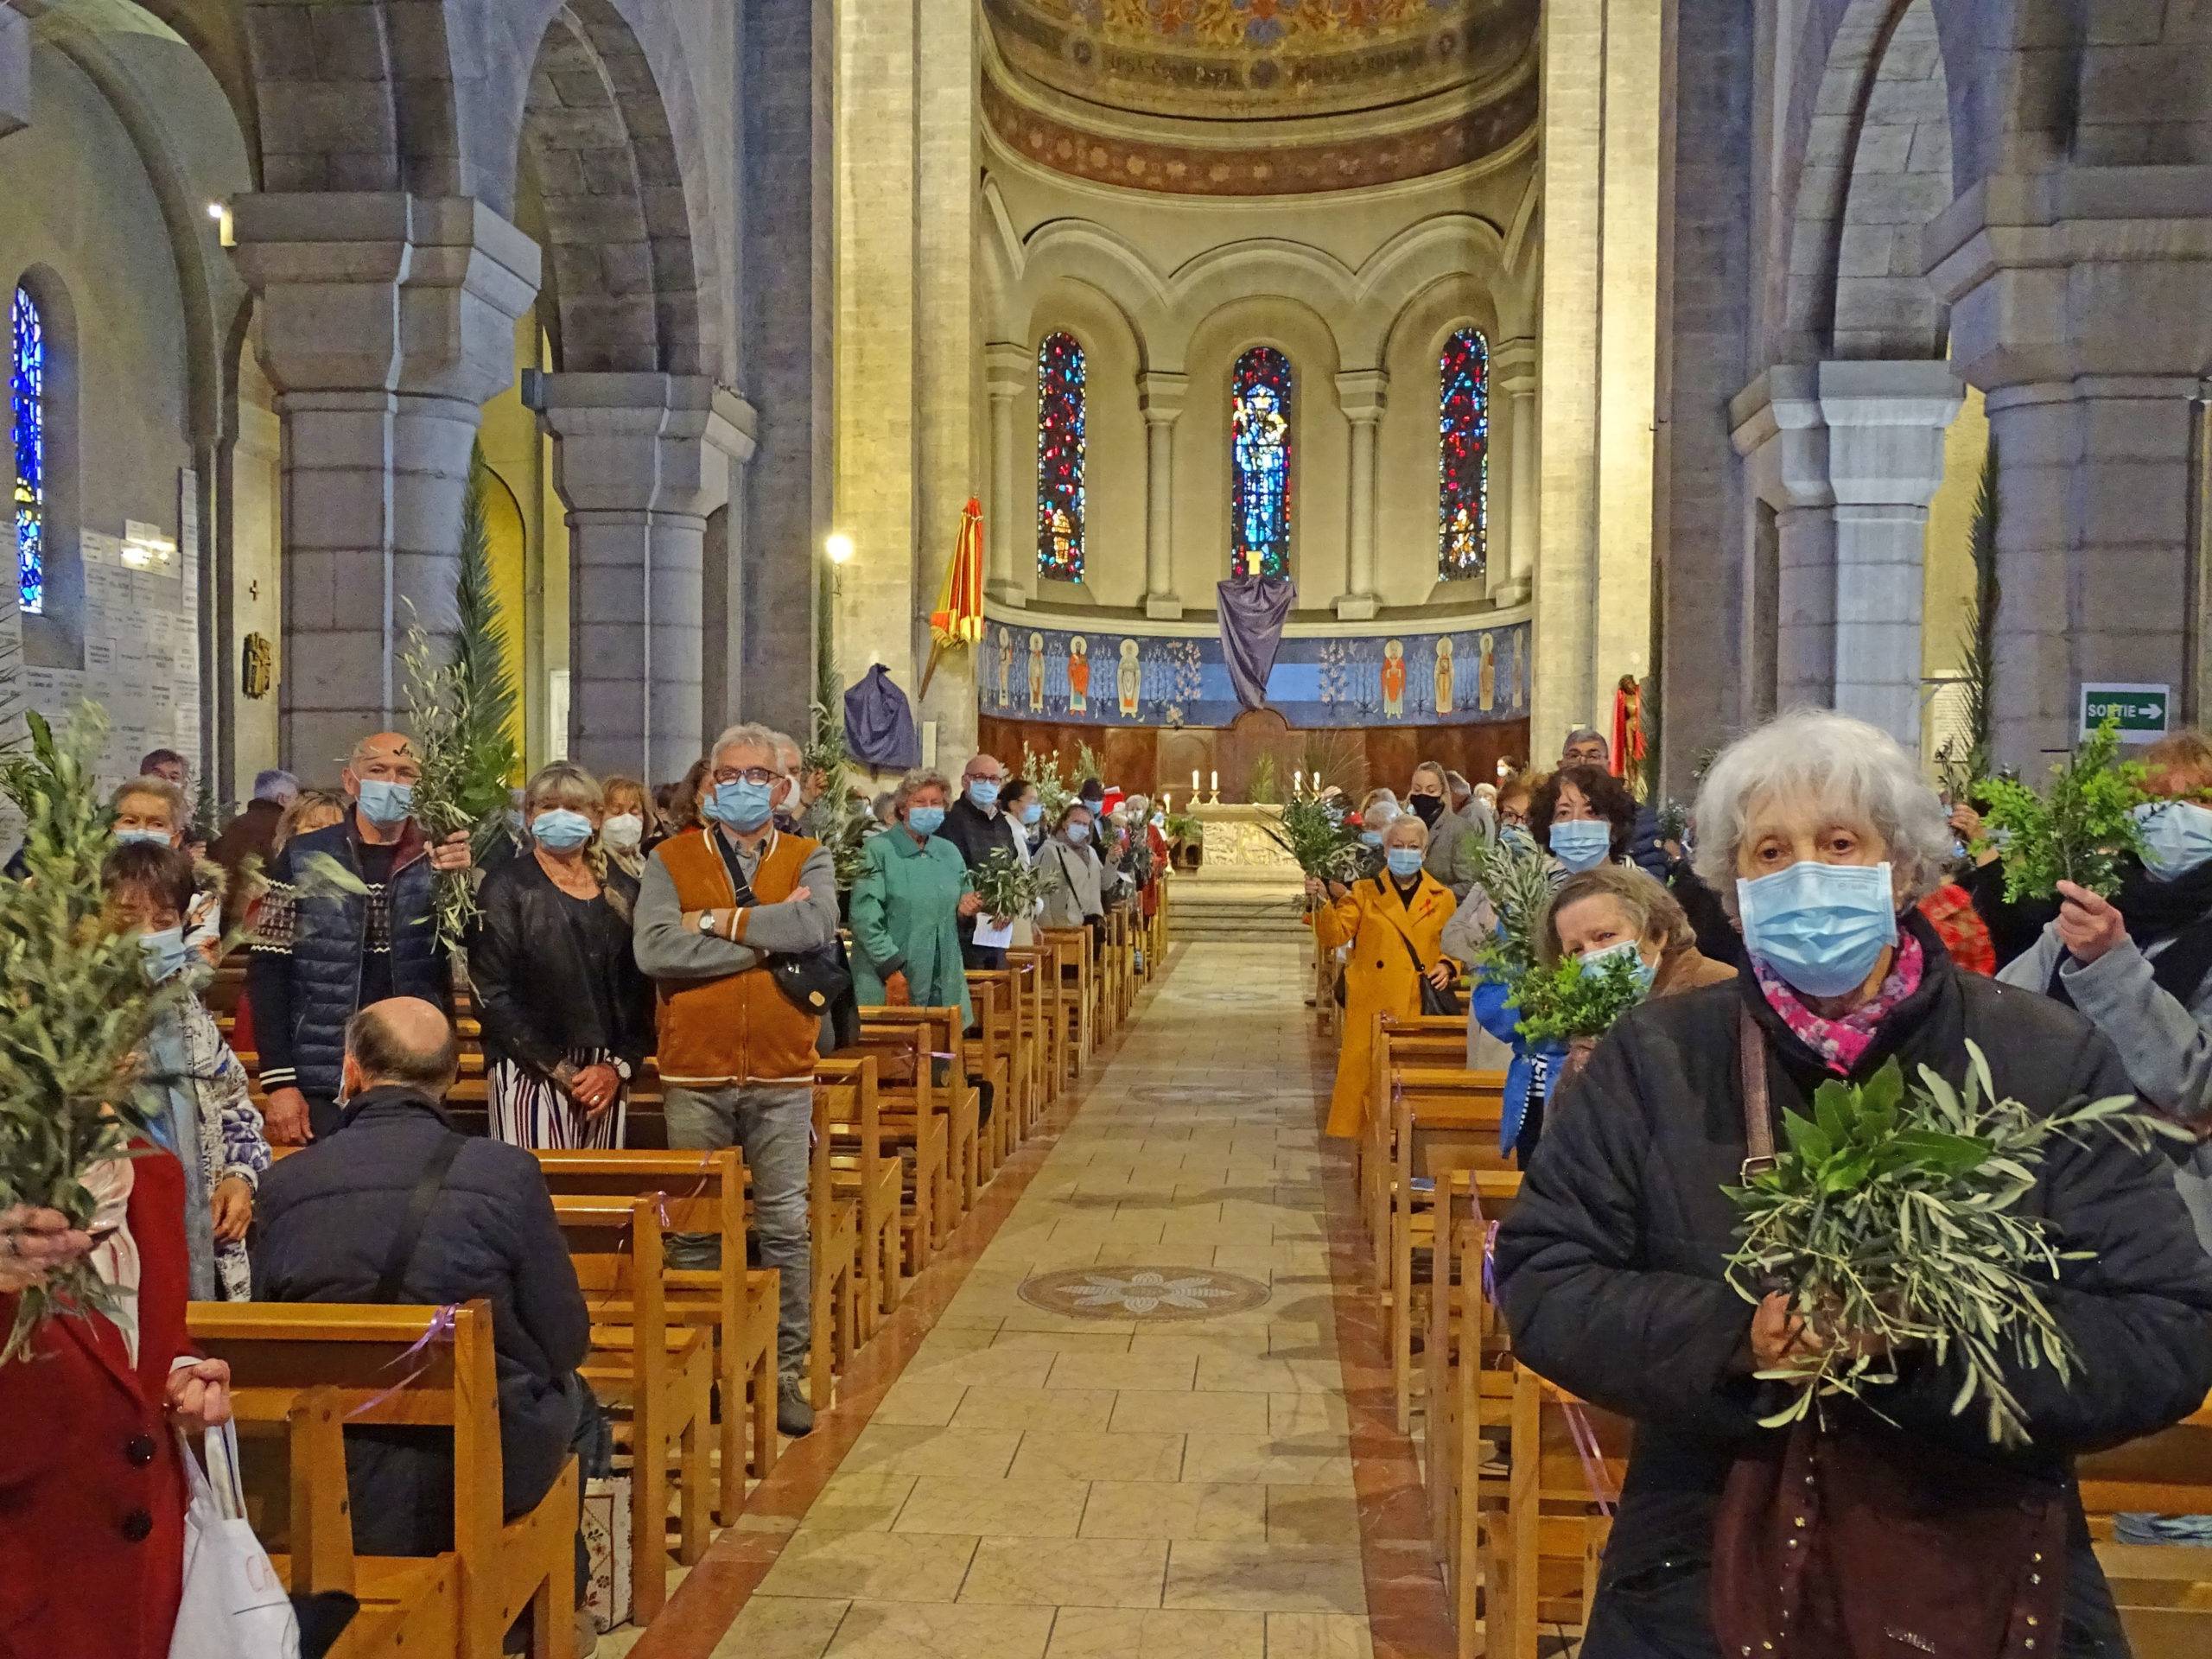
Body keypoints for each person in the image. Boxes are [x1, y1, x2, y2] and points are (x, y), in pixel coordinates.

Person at [1494, 709, 2212, 1659]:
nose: (1806, 875)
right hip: (1703, 1576)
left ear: (1902, 868)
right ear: (1732, 891)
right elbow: (1546, 1279)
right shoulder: (1657, 1057)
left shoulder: (2041, 1055)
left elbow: (2165, 1325)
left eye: (1839, 844)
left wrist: (1930, 1345)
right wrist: (1739, 1336)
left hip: (1983, 1573)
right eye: (1770, 852)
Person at [253, 999, 593, 1562]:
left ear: (351, 1071)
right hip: (473, 1468)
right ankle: (555, 1592)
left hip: (330, 1468)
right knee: (579, 1406)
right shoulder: (506, 1173)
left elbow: (268, 1334)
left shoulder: (283, 1185)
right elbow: (565, 1341)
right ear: (452, 1075)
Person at [632, 722, 839, 1436]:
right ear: (708, 786)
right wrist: (763, 941)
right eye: (729, 775)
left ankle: (783, 1371)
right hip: (695, 1070)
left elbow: (815, 929)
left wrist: (714, 923)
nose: (742, 786)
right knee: (695, 1232)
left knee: (783, 1227)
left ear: (781, 789)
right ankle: (709, 1367)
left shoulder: (810, 855)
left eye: (758, 775)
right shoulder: (670, 858)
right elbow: (656, 950)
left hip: (783, 1072)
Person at [0, 1151, 234, 1659]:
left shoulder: (154, 1173)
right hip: (26, 1572)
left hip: (148, 1580)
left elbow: (150, 1338)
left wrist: (180, 1373)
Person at [1999, 729, 2212, 1247]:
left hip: (2173, 1218)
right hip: (2054, 1201)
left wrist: (2109, 963)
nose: (2174, 817)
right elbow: (2000, 1025)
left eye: (2198, 802)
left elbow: (2195, 1087)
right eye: (2155, 801)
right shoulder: (2090, 913)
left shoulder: (2102, 936)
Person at [246, 730, 473, 1143]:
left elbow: (472, 951)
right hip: (323, 1065)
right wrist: (280, 1082)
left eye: (405, 773)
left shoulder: (438, 856)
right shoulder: (303, 855)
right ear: (351, 781)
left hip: (413, 1063)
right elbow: (268, 967)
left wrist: (461, 886)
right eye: (378, 770)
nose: (391, 782)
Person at [103, 841, 268, 1300]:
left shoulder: (187, 1014)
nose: (146, 935)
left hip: (191, 1236)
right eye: (127, 919)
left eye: (163, 922)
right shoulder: (65, 1020)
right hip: (102, 1250)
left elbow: (234, 1103)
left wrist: (239, 1176)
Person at [470, 764, 653, 1151]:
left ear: (596, 818)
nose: (560, 816)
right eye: (548, 806)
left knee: (596, 1186)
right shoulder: (506, 886)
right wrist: (561, 1069)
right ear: (529, 815)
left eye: (574, 807)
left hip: (606, 1071)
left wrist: (616, 1067)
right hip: (528, 1065)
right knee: (533, 1180)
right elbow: (490, 992)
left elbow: (641, 991)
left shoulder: (624, 889)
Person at [1310, 814, 1459, 1139]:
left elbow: (1455, 944)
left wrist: (1448, 965)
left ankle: (1413, 1151)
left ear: (1424, 852)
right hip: (1373, 1005)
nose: (1405, 852)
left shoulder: (1442, 897)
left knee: (1411, 1088)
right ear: (1387, 850)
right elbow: (1335, 934)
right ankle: (1367, 1153)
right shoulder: (1364, 892)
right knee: (1366, 1091)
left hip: (1417, 1003)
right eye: (1398, 845)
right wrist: (1321, 903)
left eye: (1413, 846)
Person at [1536, 865, 1735, 1088]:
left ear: (1656, 934)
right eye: (1576, 950)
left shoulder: (1719, 995)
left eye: (1604, 936)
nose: (1591, 956)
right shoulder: (1596, 1026)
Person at [849, 767, 980, 1020]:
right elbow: (865, 918)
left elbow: (964, 902)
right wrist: (891, 969)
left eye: (936, 802)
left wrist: (966, 911)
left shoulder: (949, 852)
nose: (928, 808)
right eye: (920, 802)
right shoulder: (878, 850)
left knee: (944, 1042)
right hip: (891, 976)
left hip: (944, 978)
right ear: (903, 807)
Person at [111, 776, 224, 962]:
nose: (141, 831)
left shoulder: (199, 893)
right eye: (130, 821)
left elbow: (201, 966)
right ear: (112, 828)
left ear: (176, 838)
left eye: (156, 824)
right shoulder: (86, 883)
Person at [938, 752, 1025, 967]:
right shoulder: (950, 821)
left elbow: (1013, 868)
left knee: (999, 983)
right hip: (964, 931)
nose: (987, 783)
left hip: (997, 932)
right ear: (965, 781)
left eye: (993, 779)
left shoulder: (1002, 823)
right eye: (980, 777)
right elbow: (948, 875)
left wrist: (1009, 904)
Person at [1560, 726, 1669, 876]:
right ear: (1561, 764)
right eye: (1574, 755)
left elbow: (1652, 879)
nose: (1582, 762)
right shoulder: (1545, 813)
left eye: (1593, 756)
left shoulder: (1636, 816)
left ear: (1608, 765)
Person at [210, 766, 298, 929]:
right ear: (282, 799)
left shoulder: (235, 825)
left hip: (225, 918)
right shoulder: (284, 829)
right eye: (295, 799)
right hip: (266, 920)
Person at [1529, 763, 1639, 874]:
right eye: (1564, 813)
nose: (1576, 823)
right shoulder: (1547, 882)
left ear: (1614, 824)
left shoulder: (1641, 884)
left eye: (1591, 812)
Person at [1407, 760, 1486, 898]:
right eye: (1417, 790)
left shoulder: (1460, 829)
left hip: (1442, 906)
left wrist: (1434, 892)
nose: (1423, 795)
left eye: (1431, 790)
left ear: (1442, 793)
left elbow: (1471, 884)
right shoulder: (1406, 826)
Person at [1038, 798, 1109, 935]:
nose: (1081, 827)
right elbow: (1041, 893)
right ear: (1064, 823)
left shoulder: (1090, 852)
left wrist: (1112, 861)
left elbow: (1103, 884)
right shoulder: (1049, 850)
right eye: (1076, 822)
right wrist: (1048, 931)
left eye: (1085, 824)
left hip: (1092, 924)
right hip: (1064, 928)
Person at [600, 774, 660, 876]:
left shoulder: (644, 862)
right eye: (617, 812)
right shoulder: (593, 866)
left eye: (634, 812)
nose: (627, 820)